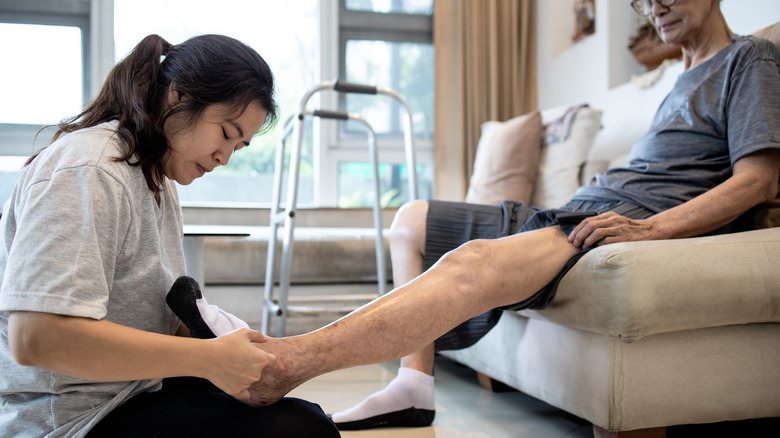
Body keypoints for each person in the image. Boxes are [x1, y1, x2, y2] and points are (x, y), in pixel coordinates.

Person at [173, 0, 779, 430]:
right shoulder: (674, 81)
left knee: (473, 262)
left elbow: (758, 180)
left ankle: (286, 363)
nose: (656, 5)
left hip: (611, 219)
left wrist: (650, 229)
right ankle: (414, 386)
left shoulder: (749, 60)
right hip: (576, 207)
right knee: (411, 219)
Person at [0, 34, 339, 437]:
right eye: (226, 133)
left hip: (132, 390)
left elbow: (142, 310)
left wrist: (232, 349)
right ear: (178, 97)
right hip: (75, 420)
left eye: (240, 147)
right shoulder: (91, 169)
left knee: (298, 413)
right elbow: (36, 337)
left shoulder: (155, 178)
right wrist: (207, 359)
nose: (224, 157)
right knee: (299, 432)